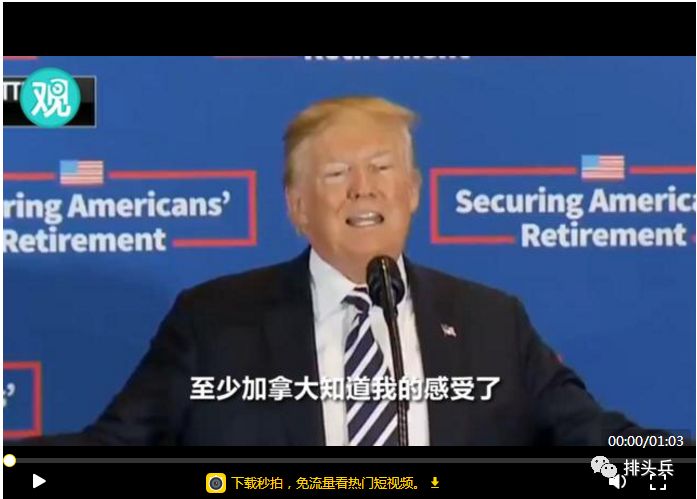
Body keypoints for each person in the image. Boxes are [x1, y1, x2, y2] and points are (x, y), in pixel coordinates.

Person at [13, 96, 661, 446]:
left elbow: (591, 437)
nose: (363, 189)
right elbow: (117, 447)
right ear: (297, 207)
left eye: (381, 169)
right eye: (335, 173)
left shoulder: (493, 321)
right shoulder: (211, 323)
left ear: (412, 191)